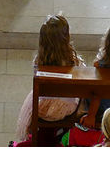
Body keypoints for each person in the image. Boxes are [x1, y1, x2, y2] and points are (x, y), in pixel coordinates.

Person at [13, 13, 85, 144]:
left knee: (34, 92)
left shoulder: (39, 61)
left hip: (42, 108)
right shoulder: (74, 61)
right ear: (66, 37)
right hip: (67, 109)